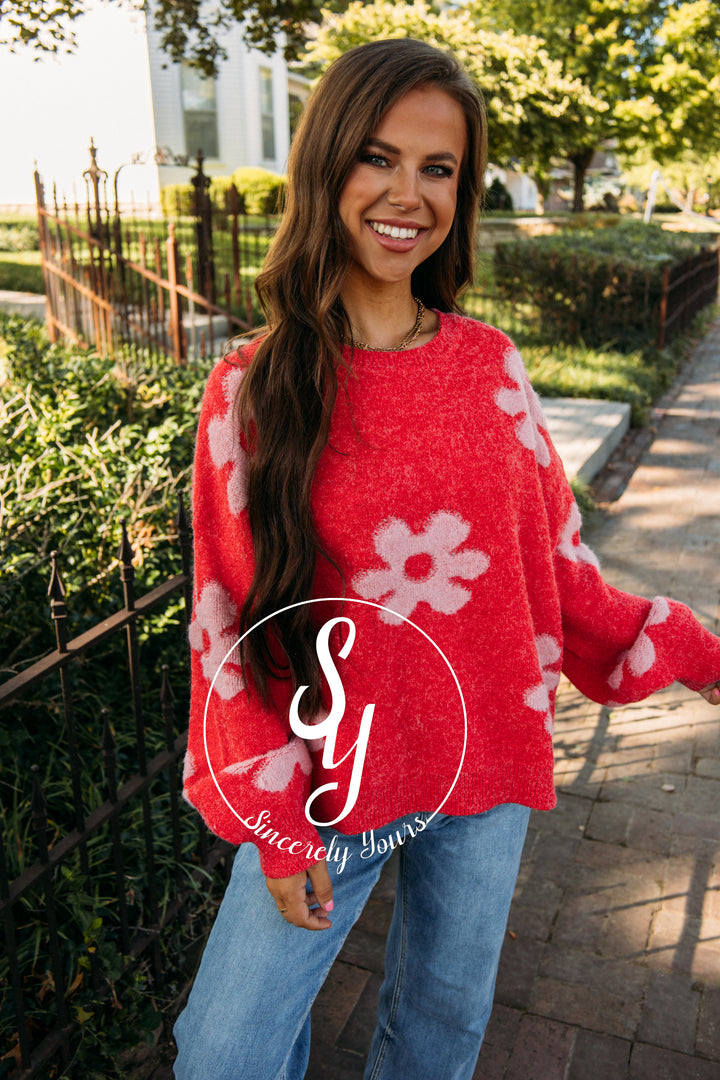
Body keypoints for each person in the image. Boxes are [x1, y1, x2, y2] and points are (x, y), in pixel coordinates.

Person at [173, 37, 720, 1080]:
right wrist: (278, 829)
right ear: (328, 163)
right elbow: (226, 625)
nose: (407, 194)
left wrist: (698, 650)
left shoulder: (490, 369)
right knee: (224, 1052)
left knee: (437, 1040)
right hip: (333, 781)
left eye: (440, 169)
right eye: (378, 157)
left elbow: (551, 578)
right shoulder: (252, 391)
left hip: (485, 765)